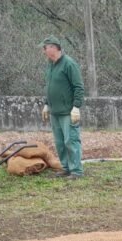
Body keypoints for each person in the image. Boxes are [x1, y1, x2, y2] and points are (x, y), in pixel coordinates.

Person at [39, 36, 85, 179]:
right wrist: (47, 104)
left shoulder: (69, 64)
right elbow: (51, 86)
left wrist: (76, 107)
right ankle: (66, 168)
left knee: (71, 141)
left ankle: (76, 171)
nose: (43, 51)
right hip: (55, 112)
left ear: (53, 47)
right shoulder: (50, 64)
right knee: (60, 142)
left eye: (45, 48)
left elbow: (78, 87)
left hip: (67, 112)